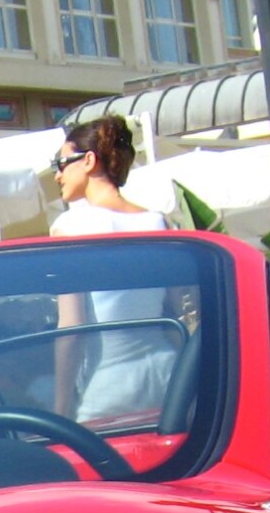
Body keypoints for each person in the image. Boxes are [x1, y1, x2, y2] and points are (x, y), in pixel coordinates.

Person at [46, 116, 175, 422]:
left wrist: (60, 407)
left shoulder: (70, 227)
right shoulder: (158, 223)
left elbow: (72, 328)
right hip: (167, 375)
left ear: (89, 160)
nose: (57, 176)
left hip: (111, 384)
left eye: (61, 163)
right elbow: (179, 312)